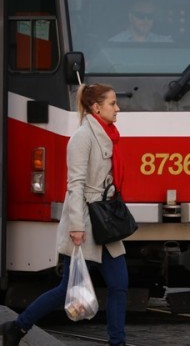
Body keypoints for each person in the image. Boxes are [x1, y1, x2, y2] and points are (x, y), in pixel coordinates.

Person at [1, 83, 129, 346]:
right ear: (96, 107)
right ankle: (18, 326)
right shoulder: (83, 137)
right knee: (66, 291)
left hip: (106, 221)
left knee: (120, 284)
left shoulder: (108, 134)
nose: (118, 108)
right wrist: (77, 227)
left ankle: (118, 342)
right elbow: (75, 186)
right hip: (86, 223)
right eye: (112, 103)